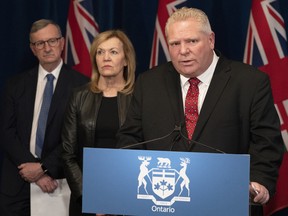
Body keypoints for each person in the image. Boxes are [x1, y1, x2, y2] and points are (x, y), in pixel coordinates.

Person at [116, 7, 284, 216]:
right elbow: (130, 139)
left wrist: (259, 180)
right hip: (162, 205)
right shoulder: (149, 83)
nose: (183, 50)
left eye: (192, 41)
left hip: (226, 203)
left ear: (211, 40)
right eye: (175, 44)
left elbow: (267, 142)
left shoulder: (250, 82)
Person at [0, 19, 89, 216]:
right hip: (17, 181)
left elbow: (76, 137)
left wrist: (44, 168)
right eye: (40, 43)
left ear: (62, 43)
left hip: (59, 181)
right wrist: (34, 173)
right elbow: (6, 132)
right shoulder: (15, 84)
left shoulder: (83, 86)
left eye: (52, 41)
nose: (47, 48)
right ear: (33, 49)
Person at [61, 29, 136, 216]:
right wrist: (91, 197)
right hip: (86, 199)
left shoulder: (139, 97)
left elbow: (145, 150)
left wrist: (116, 196)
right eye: (100, 52)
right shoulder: (79, 96)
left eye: (113, 52)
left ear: (126, 60)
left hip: (128, 196)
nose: (105, 58)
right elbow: (68, 154)